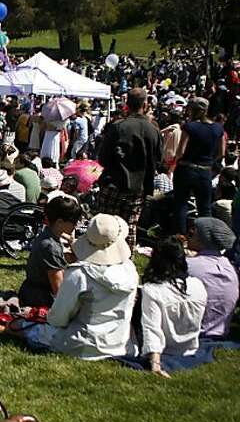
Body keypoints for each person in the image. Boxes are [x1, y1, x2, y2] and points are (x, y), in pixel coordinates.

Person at [14, 214, 139, 360]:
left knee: (19, 325)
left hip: (82, 344)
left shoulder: (79, 274)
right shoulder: (130, 270)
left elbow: (58, 319)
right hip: (121, 344)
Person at [97, 88, 161, 248]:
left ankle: (101, 257)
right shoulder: (153, 130)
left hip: (113, 183)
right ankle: (125, 262)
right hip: (137, 188)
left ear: (127, 104)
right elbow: (158, 160)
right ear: (145, 105)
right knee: (130, 228)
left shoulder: (118, 127)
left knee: (105, 225)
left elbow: (103, 158)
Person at [134, 239, 207, 377]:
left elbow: (152, 327)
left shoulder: (153, 290)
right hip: (190, 347)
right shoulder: (198, 285)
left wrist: (155, 363)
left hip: (165, 349)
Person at [171, 96, 225, 236]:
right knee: (204, 208)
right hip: (205, 170)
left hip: (186, 168)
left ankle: (180, 236)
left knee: (181, 204)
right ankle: (205, 237)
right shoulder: (218, 129)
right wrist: (209, 160)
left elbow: (180, 152)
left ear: (192, 110)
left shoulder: (189, 127)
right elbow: (221, 153)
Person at [19, 195, 81, 308]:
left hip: (29, 291)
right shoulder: (51, 247)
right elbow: (59, 291)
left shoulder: (46, 235)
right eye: (74, 221)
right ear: (60, 222)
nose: (76, 225)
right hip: (41, 299)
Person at [185, 217, 238, 339]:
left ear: (203, 239)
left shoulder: (188, 266)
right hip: (221, 331)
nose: (188, 236)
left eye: (192, 233)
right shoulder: (230, 268)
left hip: (191, 332)